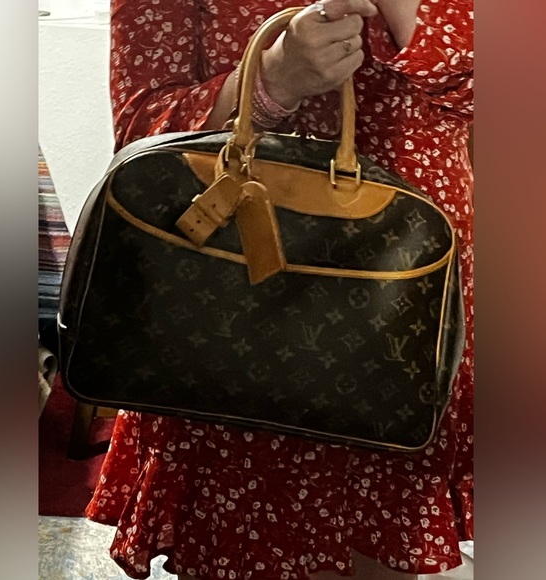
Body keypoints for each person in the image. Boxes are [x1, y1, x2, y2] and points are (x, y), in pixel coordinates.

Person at [85, 1, 474, 578]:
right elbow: (142, 133)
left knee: (383, 532)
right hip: (229, 288)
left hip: (402, 285)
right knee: (237, 539)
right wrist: (271, 83)